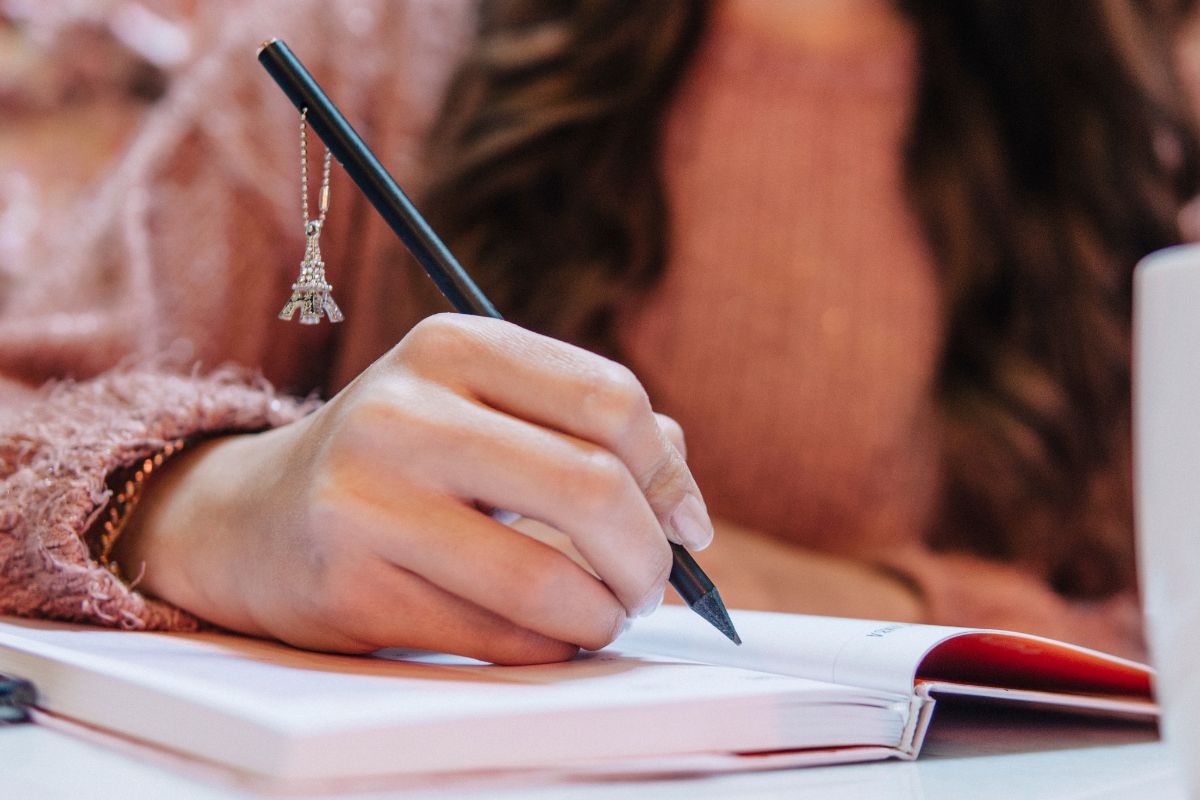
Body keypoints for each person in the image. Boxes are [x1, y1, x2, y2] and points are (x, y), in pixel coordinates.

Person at [1, 0, 1193, 662]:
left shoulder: (1134, 132)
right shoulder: (370, 41)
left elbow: (1164, 624)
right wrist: (209, 502)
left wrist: (796, 585)